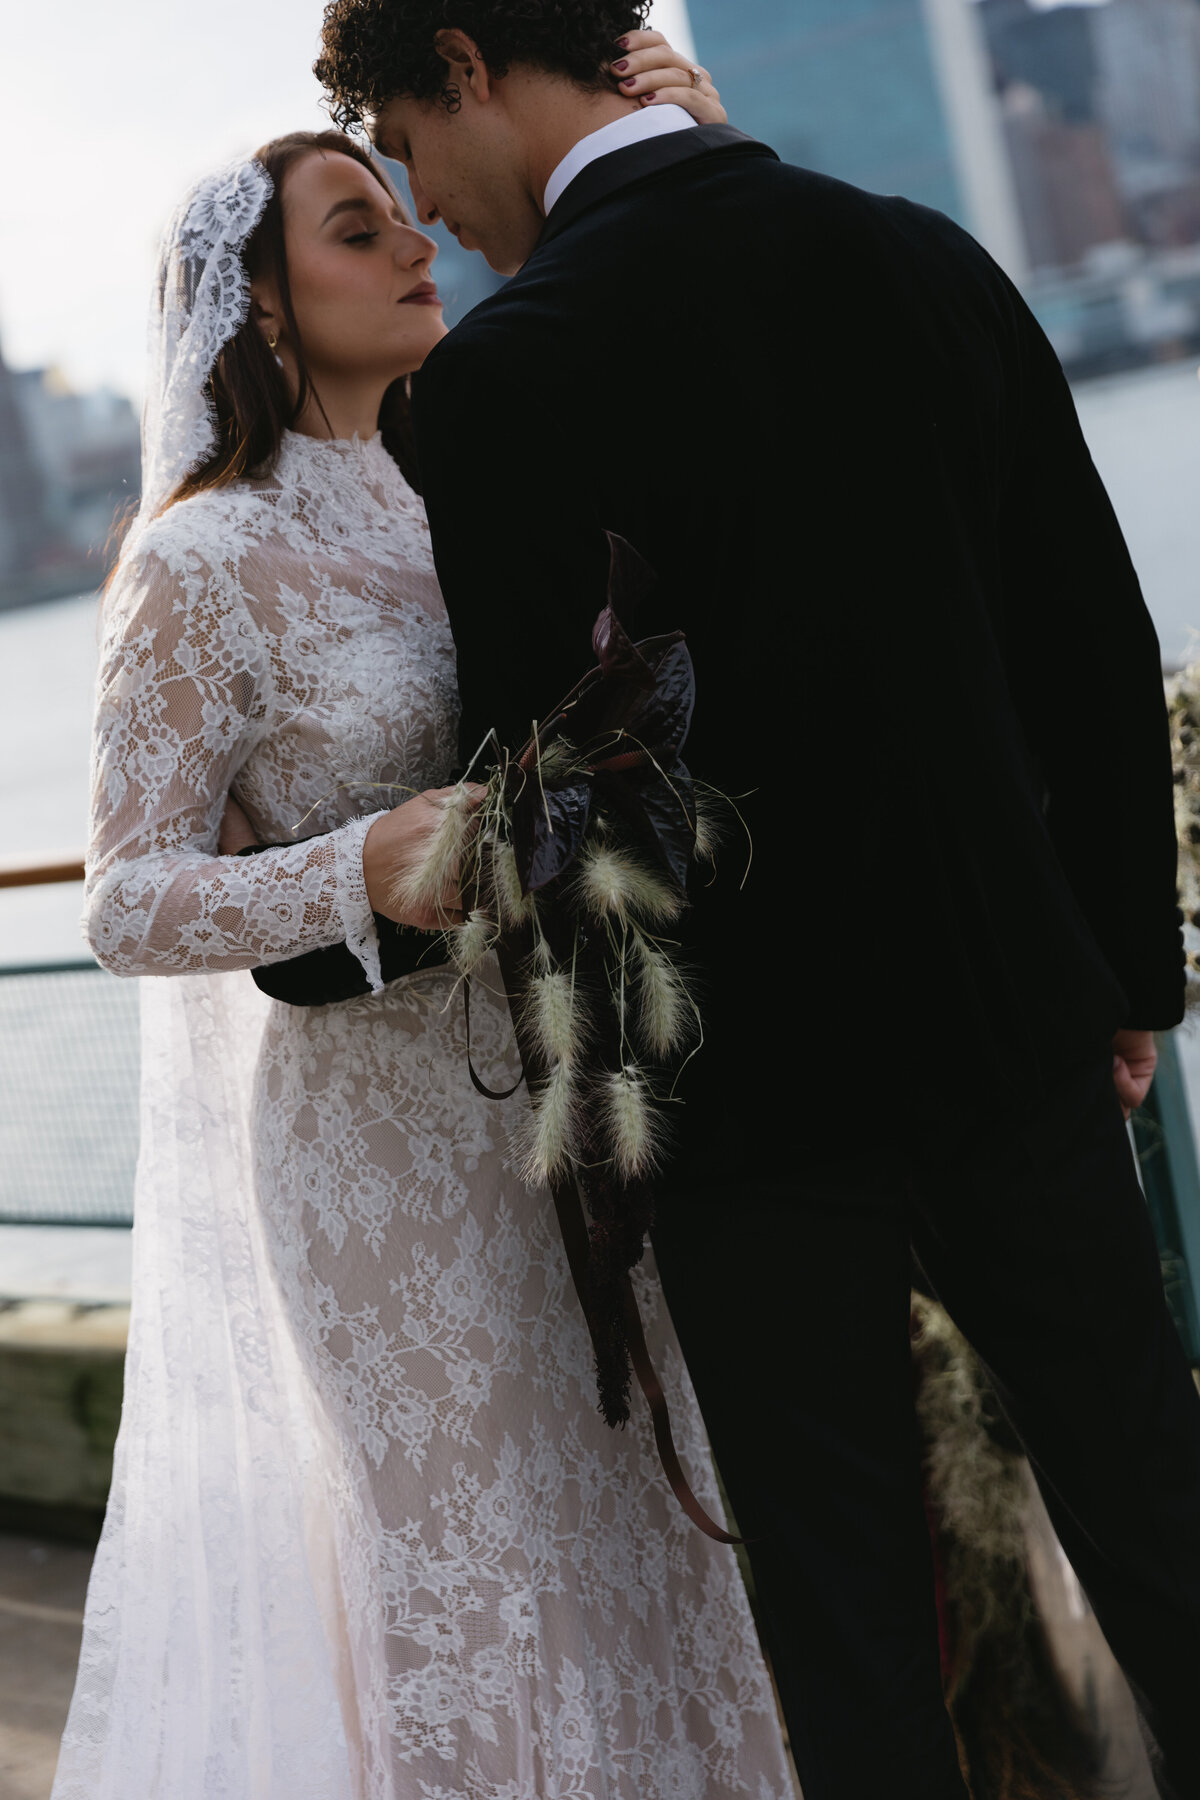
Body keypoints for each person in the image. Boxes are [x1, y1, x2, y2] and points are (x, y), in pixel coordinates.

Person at [295, 3, 1200, 1797]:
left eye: (409, 134)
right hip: (1017, 1028)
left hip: (747, 1104)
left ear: (470, 62)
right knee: (1168, 1534)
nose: (428, 198)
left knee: (852, 1636)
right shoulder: (921, 253)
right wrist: (1129, 986)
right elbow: (1092, 641)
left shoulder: (513, 371)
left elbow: (551, 800)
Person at [54, 62, 801, 1800]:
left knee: (647, 1552)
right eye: (356, 226)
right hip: (375, 1162)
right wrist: (359, 866)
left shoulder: (455, 490)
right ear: (256, 300)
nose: (413, 245)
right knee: (473, 1586)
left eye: (406, 214)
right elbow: (123, 898)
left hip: (560, 1115)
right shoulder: (199, 562)